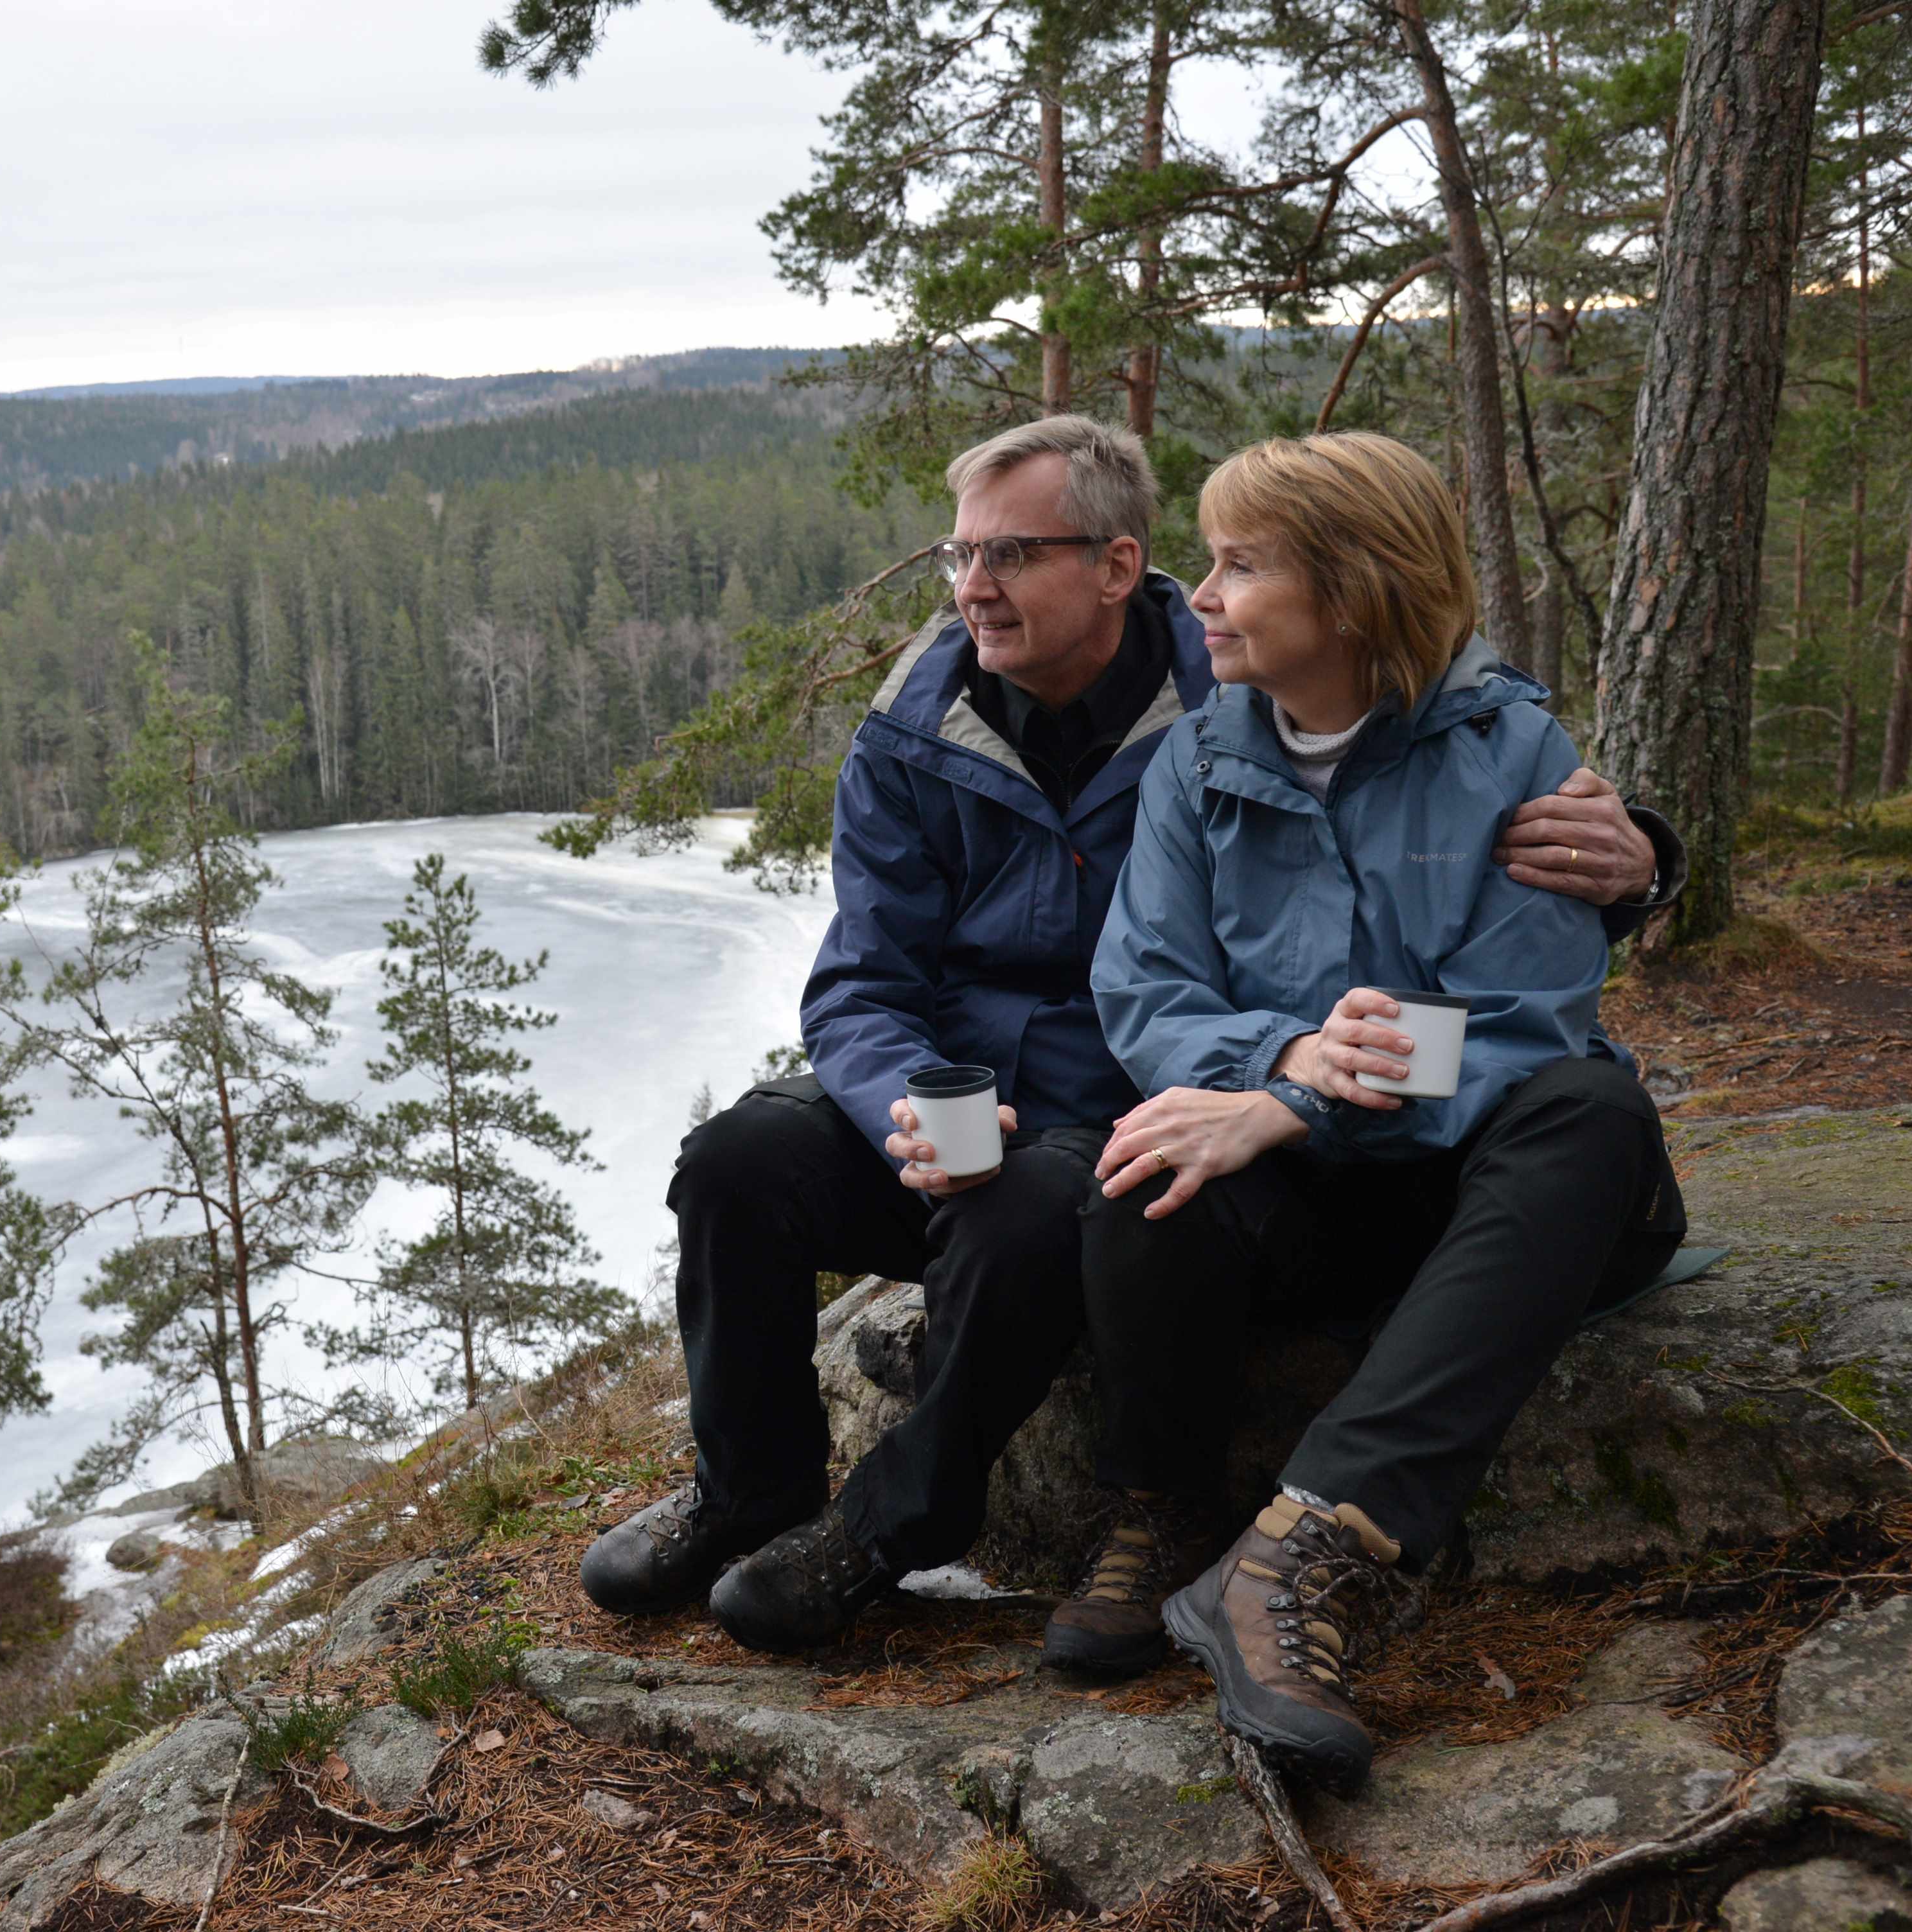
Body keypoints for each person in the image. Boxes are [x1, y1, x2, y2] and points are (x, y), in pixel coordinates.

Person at [576, 416, 1681, 1656]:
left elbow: (1426, 773)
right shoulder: (920, 730)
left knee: (1070, 1199)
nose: (970, 588)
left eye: (1008, 555)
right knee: (736, 1163)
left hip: (1135, 1108)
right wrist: (904, 1109)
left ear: (1113, 565)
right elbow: (871, 976)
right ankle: (751, 1491)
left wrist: (1635, 862)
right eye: (957, 556)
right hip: (1018, 1099)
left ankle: (904, 1519)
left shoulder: (1239, 684)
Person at [1079, 431, 1687, 1787]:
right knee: (1141, 1153)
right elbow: (1146, 988)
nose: (1203, 595)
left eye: (1241, 566)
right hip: (1312, 1201)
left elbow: (1525, 1017)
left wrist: (1301, 1098)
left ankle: (1310, 1553)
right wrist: (1282, 1056)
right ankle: (1160, 1513)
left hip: (1474, 1195)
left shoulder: (1512, 747)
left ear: (1353, 592)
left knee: (1591, 1111)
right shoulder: (1194, 765)